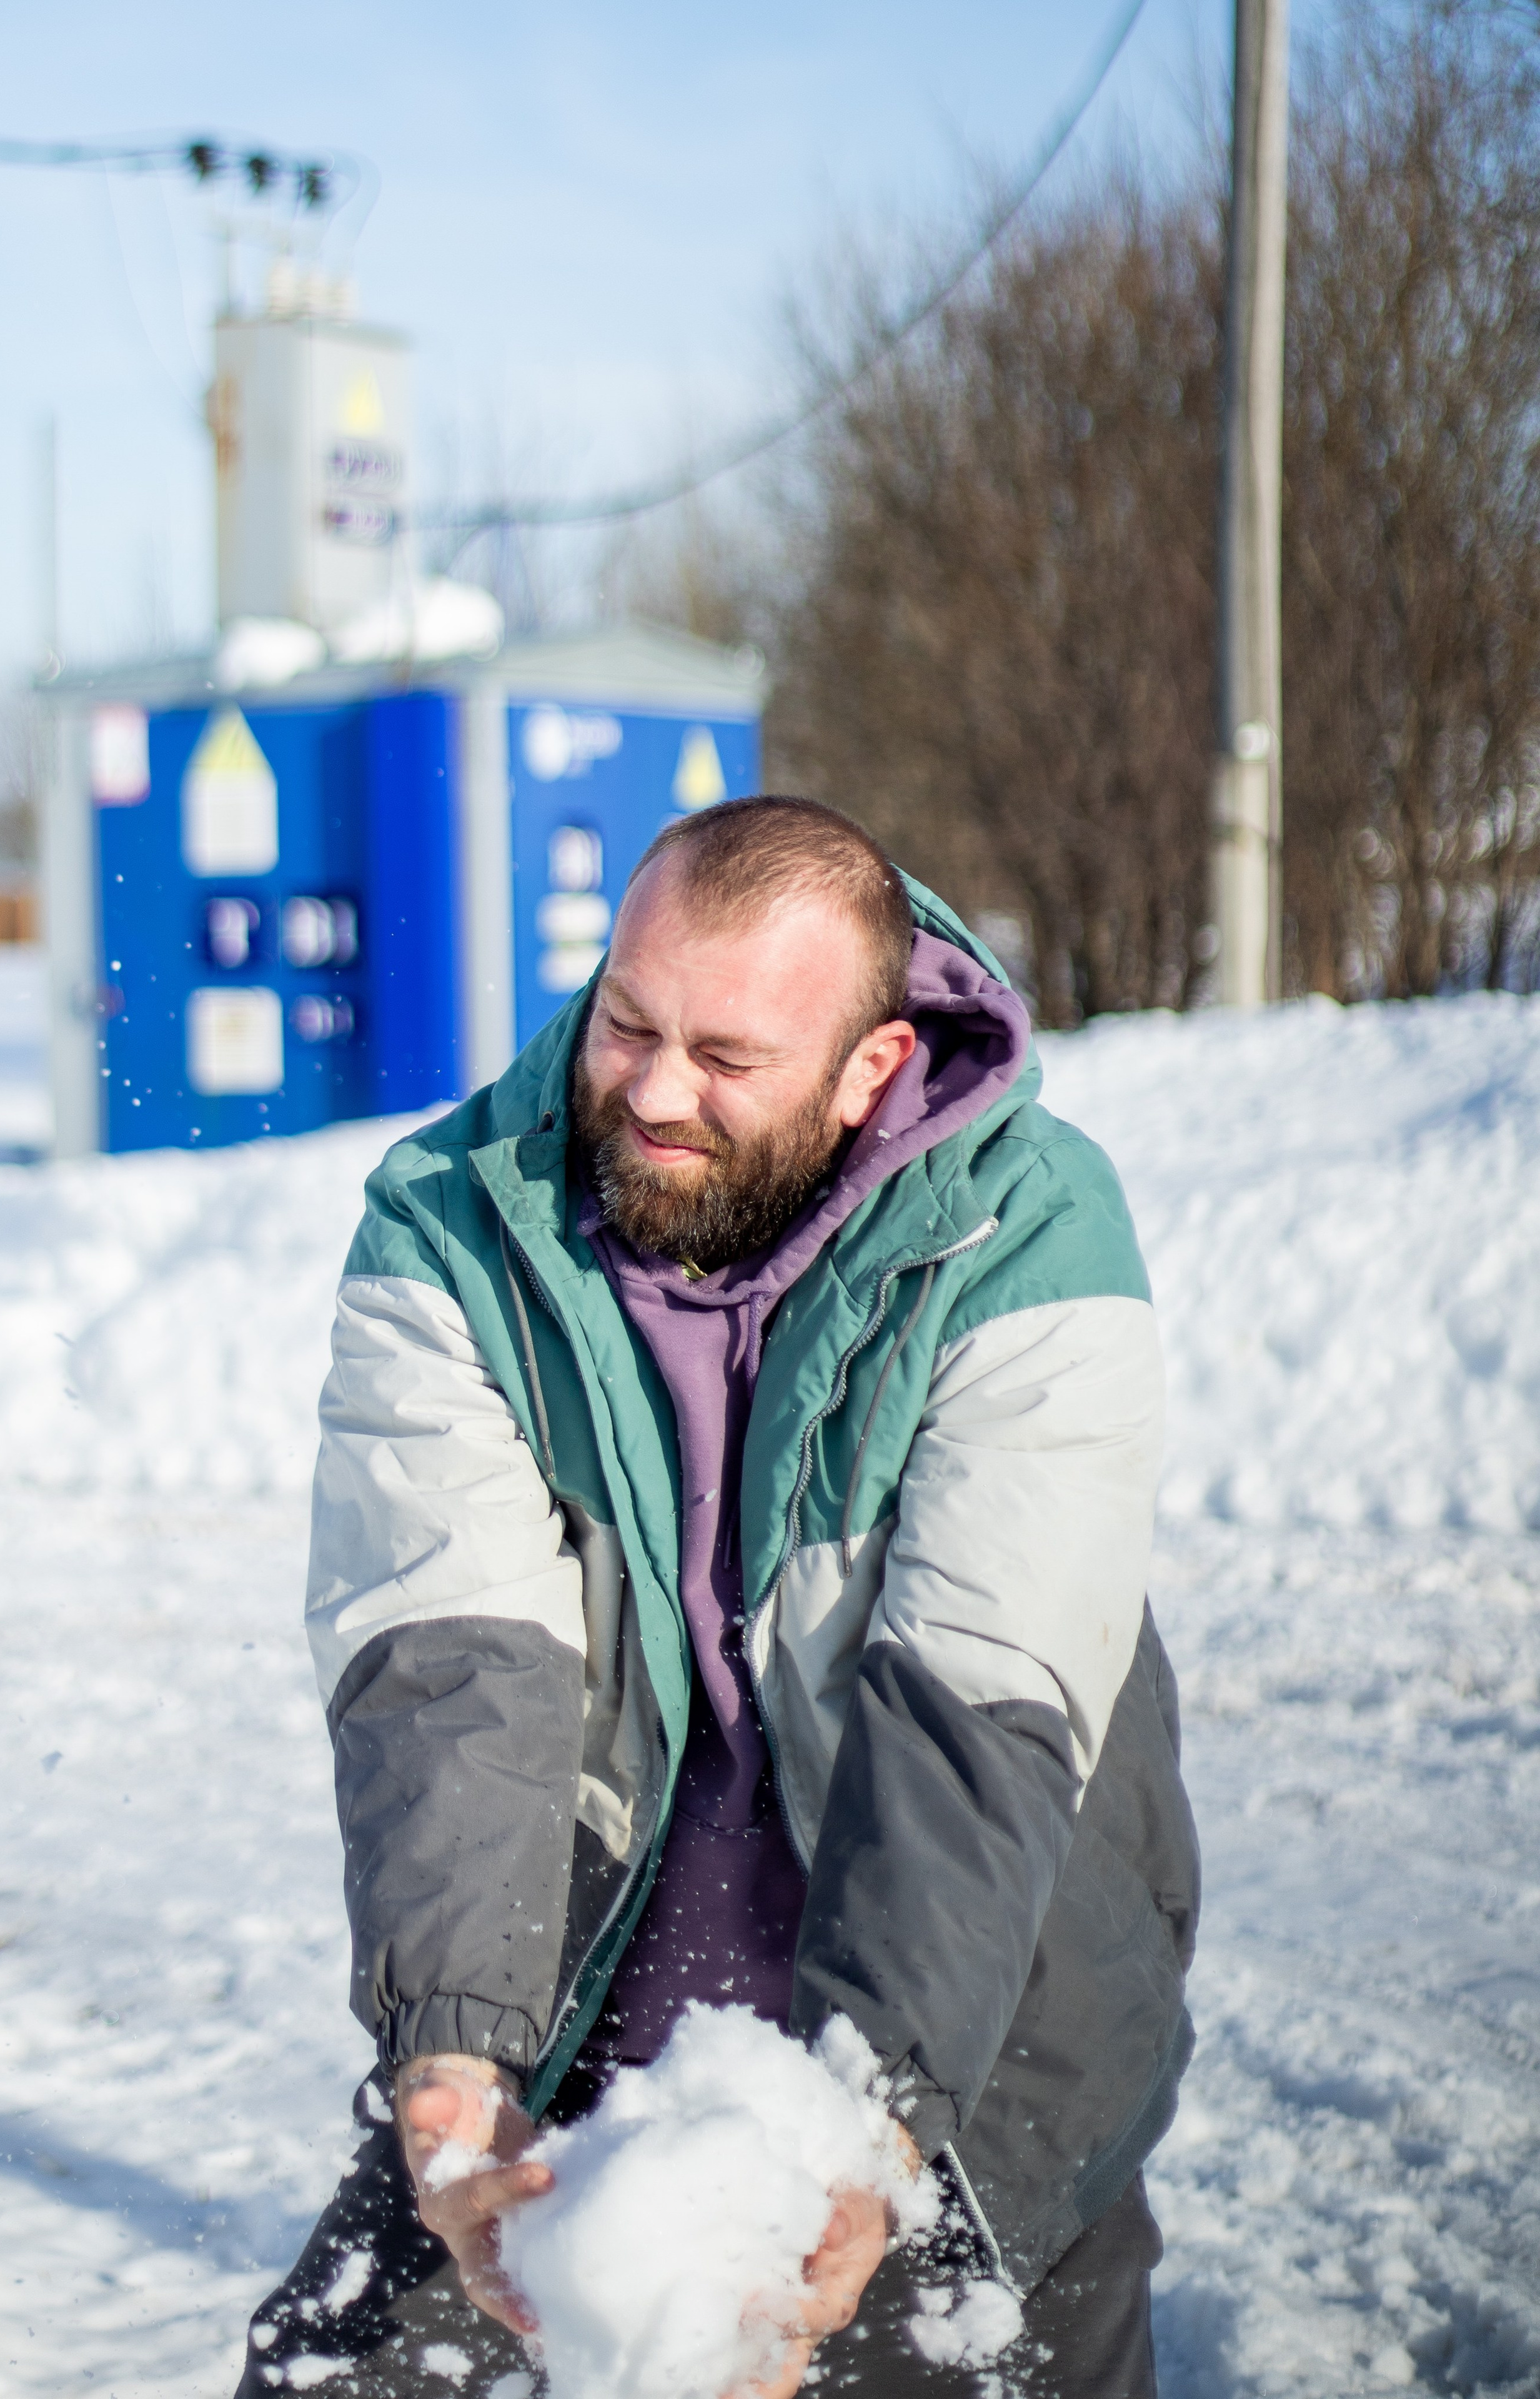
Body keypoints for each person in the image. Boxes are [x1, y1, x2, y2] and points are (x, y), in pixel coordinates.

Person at [237, 797, 1198, 2398]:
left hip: (963, 2047)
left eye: (727, 1060)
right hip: (574, 2023)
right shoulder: (460, 1219)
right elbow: (454, 1663)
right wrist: (457, 2060)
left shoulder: (1023, 1233)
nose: (655, 1092)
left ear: (870, 1070)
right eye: (628, 1023)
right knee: (335, 2371)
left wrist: (869, 2127)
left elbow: (980, 1698)